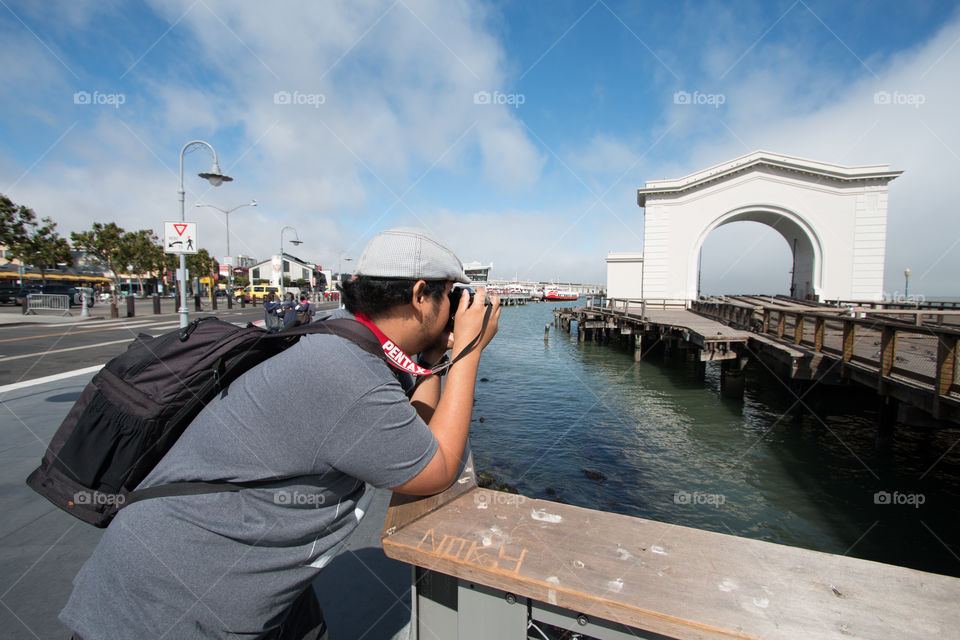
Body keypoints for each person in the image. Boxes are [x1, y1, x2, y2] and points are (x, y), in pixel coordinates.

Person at [59, 226, 500, 639]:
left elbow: (416, 440)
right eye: (450, 294)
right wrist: (468, 351)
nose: (456, 307)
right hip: (173, 603)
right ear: (422, 295)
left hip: (228, 579)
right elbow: (436, 468)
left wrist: (434, 357)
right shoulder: (346, 375)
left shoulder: (338, 345)